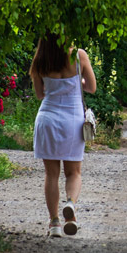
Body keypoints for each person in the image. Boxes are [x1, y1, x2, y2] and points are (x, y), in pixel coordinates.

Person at [30, 34, 97, 238]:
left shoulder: (40, 60)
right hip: (72, 120)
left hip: (47, 118)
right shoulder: (79, 56)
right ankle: (70, 205)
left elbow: (40, 94)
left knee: (51, 174)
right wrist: (80, 80)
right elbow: (91, 88)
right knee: (73, 172)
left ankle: (55, 224)